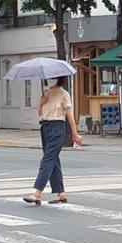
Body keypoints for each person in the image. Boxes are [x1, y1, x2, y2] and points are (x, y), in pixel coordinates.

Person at [23, 76, 82, 205]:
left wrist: (75, 133)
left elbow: (70, 116)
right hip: (45, 127)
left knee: (47, 160)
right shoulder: (46, 93)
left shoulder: (64, 94)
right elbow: (39, 112)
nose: (50, 80)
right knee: (53, 159)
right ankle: (61, 193)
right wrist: (41, 102)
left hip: (57, 128)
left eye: (53, 78)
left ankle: (37, 193)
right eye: (49, 78)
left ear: (59, 79)